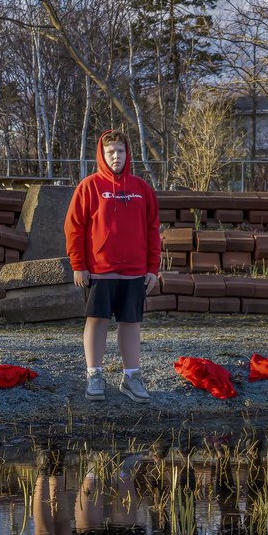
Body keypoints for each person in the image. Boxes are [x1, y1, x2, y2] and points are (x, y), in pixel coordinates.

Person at [65, 130, 161, 404]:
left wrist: (152, 267)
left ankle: (131, 376)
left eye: (120, 151)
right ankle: (94, 374)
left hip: (134, 271)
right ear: (102, 155)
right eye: (110, 153)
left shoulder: (142, 189)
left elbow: (153, 230)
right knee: (97, 320)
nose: (116, 157)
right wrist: (78, 265)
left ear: (127, 154)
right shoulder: (89, 187)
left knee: (131, 322)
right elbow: (74, 229)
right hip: (99, 269)